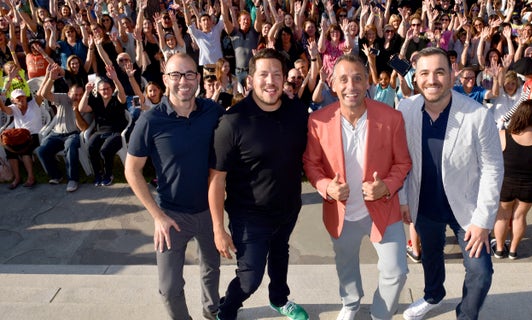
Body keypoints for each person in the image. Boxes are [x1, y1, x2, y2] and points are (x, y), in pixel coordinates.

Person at [303, 54, 412, 320]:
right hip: (341, 212)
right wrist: (328, 187)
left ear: (367, 83)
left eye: (357, 78)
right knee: (346, 265)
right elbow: (311, 164)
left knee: (396, 271)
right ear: (333, 85)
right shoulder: (318, 121)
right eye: (344, 79)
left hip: (384, 210)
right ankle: (350, 303)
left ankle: (380, 313)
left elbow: (403, 162)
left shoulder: (392, 118)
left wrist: (386, 187)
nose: (351, 85)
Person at [397, 48, 504, 320]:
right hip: (424, 203)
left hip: (468, 208)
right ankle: (433, 294)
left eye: (439, 72)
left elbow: (493, 168)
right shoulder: (406, 109)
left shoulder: (477, 115)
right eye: (424, 73)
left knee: (480, 272)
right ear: (415, 78)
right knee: (431, 256)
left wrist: (483, 220)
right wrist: (403, 200)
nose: (432, 79)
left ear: (452, 74)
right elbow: (400, 159)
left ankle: (466, 315)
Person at [209, 48, 309, 320]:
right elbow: (217, 179)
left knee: (280, 254)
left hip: (288, 208)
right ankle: (226, 309)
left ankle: (279, 299)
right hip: (249, 215)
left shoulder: (297, 112)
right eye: (263, 74)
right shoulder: (232, 121)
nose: (270, 81)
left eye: (277, 74)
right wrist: (218, 228)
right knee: (250, 277)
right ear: (250, 80)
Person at [124, 53, 224, 320]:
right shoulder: (150, 120)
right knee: (169, 288)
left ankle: (212, 311)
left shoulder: (213, 112)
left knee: (212, 268)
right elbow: (131, 170)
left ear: (198, 78)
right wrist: (157, 216)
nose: (184, 81)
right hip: (171, 216)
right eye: (176, 75)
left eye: (190, 74)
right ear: (166, 79)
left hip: (209, 212)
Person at [492, 100, 532, 260]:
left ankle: (499, 249)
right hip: (530, 185)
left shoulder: (503, 135)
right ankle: (513, 250)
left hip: (506, 183)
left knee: (503, 216)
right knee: (520, 216)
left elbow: (492, 159)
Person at [36, 64, 90, 193]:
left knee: (71, 147)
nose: (77, 97)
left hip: (73, 134)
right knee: (41, 150)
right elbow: (44, 94)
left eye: (79, 95)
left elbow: (83, 128)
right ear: (68, 93)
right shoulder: (62, 97)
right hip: (56, 134)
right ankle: (56, 176)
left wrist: (76, 110)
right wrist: (51, 79)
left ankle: (73, 179)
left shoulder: (85, 104)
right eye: (74, 94)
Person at [78, 66, 129, 186]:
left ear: (112, 89)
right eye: (103, 90)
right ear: (99, 91)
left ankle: (108, 174)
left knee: (105, 150)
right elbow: (81, 108)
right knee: (90, 147)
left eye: (108, 88)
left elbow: (122, 94)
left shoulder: (117, 99)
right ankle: (98, 174)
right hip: (100, 132)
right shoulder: (96, 102)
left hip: (116, 132)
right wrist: (86, 92)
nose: (106, 91)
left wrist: (115, 79)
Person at [0, 89, 44, 190]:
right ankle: (17, 178)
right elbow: (4, 109)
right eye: (18, 98)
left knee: (25, 149)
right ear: (13, 101)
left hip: (35, 135)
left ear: (25, 97)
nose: (21, 99)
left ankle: (31, 177)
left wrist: (48, 77)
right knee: (7, 147)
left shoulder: (34, 104)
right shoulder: (13, 108)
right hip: (20, 136)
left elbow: (42, 91)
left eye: (22, 97)